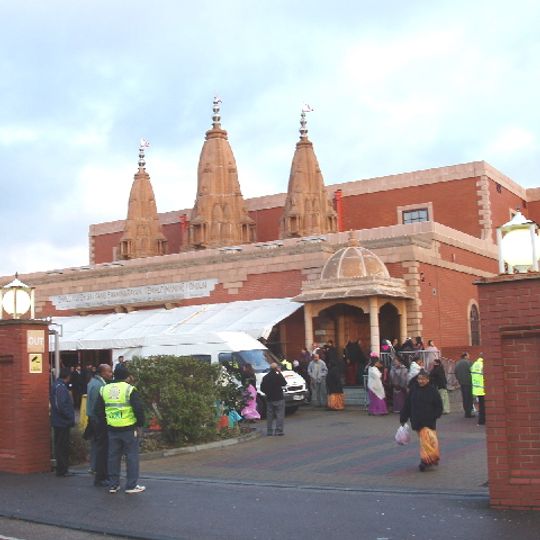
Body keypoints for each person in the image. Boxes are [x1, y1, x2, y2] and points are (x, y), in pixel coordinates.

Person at [96, 365, 146, 494]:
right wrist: (140, 424)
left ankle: (113, 485)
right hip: (129, 428)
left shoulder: (104, 389)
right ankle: (131, 486)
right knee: (131, 457)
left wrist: (108, 421)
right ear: (127, 376)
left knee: (113, 457)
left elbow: (98, 410)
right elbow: (138, 409)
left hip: (112, 428)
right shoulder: (129, 389)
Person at [400, 369, 443, 472]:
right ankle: (430, 459)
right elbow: (407, 405)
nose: (421, 381)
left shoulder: (433, 391)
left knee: (429, 441)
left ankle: (428, 459)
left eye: (423, 379)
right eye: (419, 379)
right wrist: (403, 418)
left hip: (429, 421)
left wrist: (434, 416)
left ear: (428, 380)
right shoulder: (413, 390)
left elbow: (439, 406)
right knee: (426, 441)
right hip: (417, 420)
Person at [86, 363, 113, 486]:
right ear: (102, 373)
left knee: (96, 446)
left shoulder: (92, 382)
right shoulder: (99, 386)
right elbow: (98, 406)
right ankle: (100, 475)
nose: (110, 374)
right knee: (102, 448)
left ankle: (95, 469)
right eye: (108, 372)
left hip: (93, 419)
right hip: (98, 421)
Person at [50, 367, 75, 477]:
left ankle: (62, 469)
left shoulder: (56, 385)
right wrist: (69, 416)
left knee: (59, 445)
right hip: (62, 422)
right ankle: (62, 470)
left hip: (58, 421)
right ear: (68, 377)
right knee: (62, 446)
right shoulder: (60, 387)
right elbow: (60, 405)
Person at [260, 363, 287, 435]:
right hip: (279, 398)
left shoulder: (265, 377)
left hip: (269, 398)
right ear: (276, 368)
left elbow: (262, 388)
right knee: (279, 415)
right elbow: (284, 383)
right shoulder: (278, 376)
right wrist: (280, 373)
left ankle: (269, 431)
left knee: (269, 416)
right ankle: (279, 431)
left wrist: (267, 393)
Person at [454, 352, 474, 418]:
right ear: (465, 356)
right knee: (469, 397)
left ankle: (466, 411)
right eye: (468, 355)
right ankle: (469, 412)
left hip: (462, 382)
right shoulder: (468, 362)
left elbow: (455, 372)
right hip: (469, 382)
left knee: (465, 397)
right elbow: (472, 371)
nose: (469, 356)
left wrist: (459, 379)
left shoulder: (457, 363)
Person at [471, 355, 485, 426]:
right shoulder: (483, 364)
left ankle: (481, 421)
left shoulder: (475, 364)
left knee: (481, 405)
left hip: (477, 388)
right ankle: (482, 421)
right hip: (483, 388)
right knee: (484, 406)